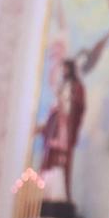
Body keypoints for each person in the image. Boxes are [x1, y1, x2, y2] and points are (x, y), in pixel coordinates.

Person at [35, 59, 86, 203]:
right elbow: (55, 106)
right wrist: (44, 125)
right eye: (62, 69)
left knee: (61, 162)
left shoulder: (77, 88)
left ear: (70, 69)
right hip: (55, 126)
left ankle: (59, 195)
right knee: (50, 160)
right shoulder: (62, 86)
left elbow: (78, 107)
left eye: (66, 69)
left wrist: (67, 107)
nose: (64, 72)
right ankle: (47, 194)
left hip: (66, 128)